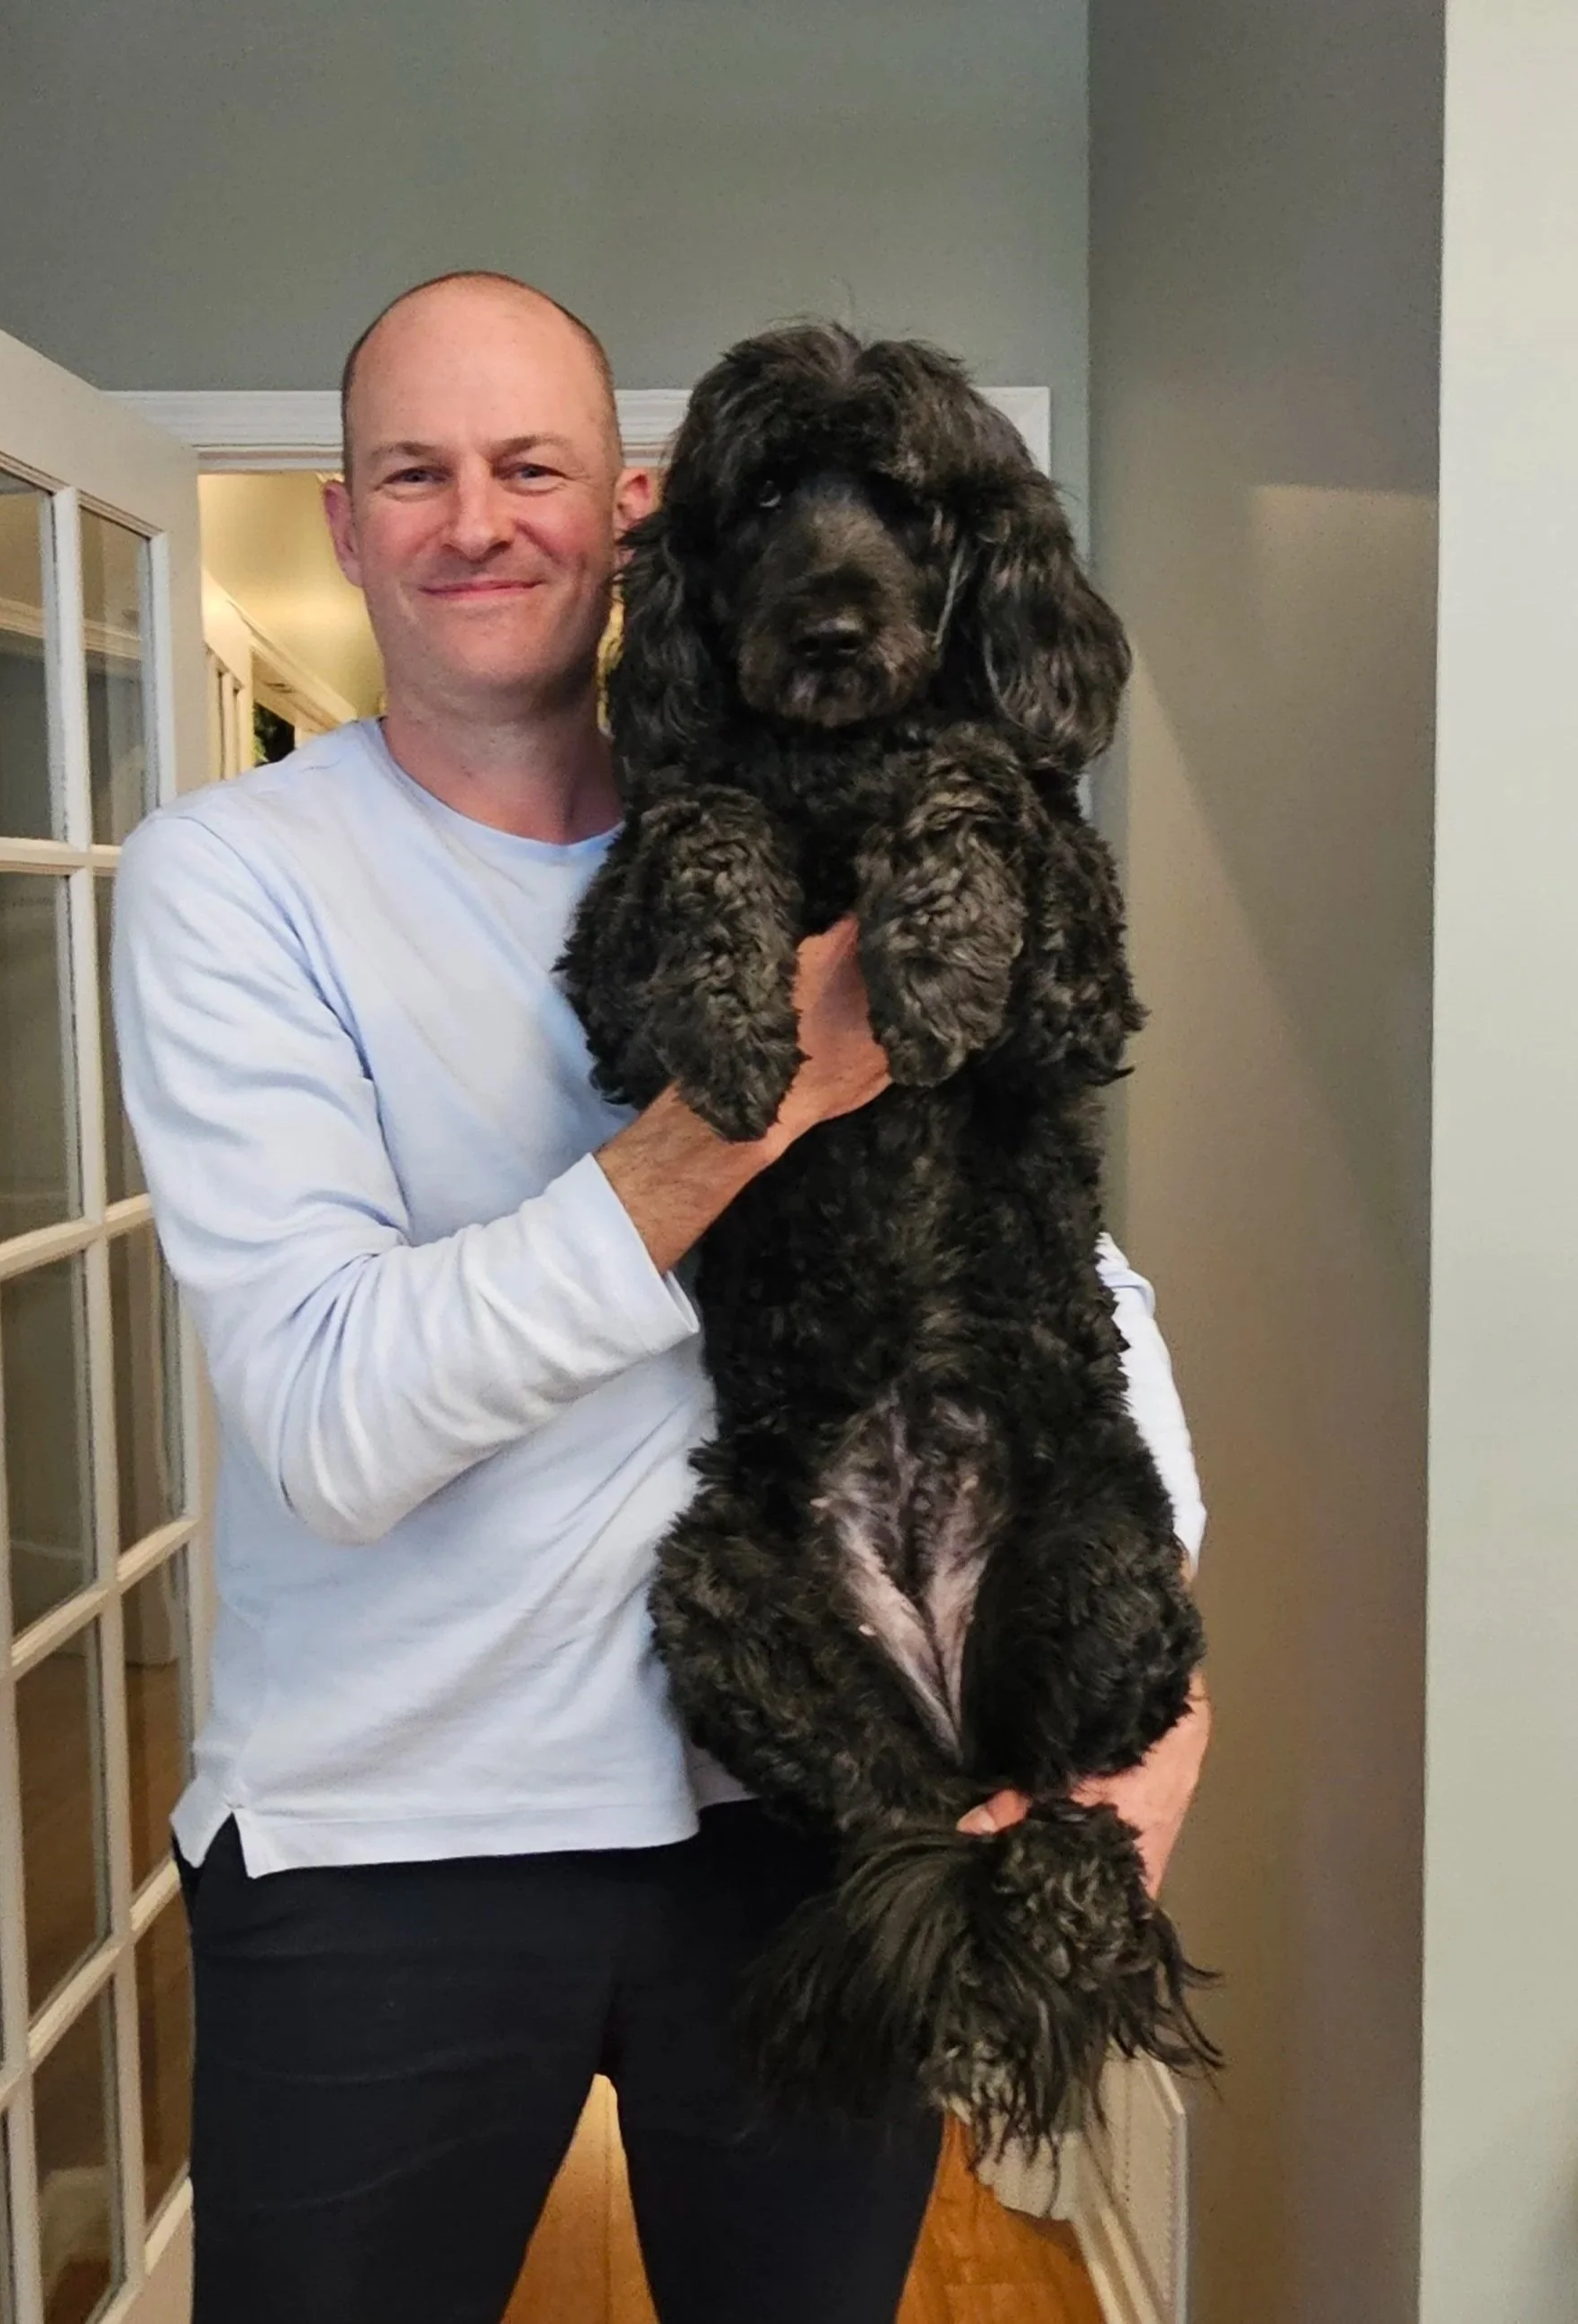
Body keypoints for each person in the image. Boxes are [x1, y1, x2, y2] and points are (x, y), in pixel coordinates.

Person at [112, 270, 1212, 2324]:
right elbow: (335, 1423)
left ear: (627, 512)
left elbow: (1043, 1250)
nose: (475, 520)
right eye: (410, 474)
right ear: (342, 521)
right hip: (388, 1836)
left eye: (528, 466)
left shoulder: (846, 814)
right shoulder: (231, 877)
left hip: (811, 1818)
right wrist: (761, 1097)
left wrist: (1154, 1676)